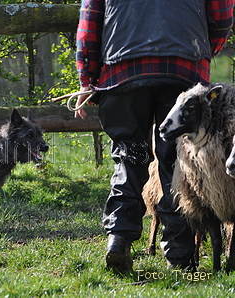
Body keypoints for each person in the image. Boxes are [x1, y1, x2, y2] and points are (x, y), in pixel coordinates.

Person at [75, 0, 233, 272]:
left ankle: (119, 239)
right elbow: (221, 16)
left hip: (121, 67)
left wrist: (87, 77)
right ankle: (180, 257)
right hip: (183, 66)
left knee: (128, 155)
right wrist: (201, 52)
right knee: (177, 164)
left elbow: (90, 21)